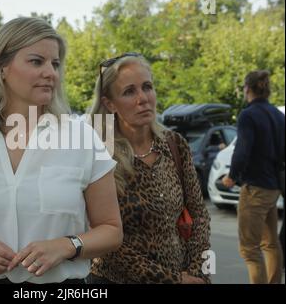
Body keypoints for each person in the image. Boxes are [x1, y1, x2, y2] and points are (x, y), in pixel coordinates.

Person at [0, 17, 123, 284]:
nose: (50, 72)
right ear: (2, 69)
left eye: (55, 64)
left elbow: (112, 230)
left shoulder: (82, 138)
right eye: (36, 61)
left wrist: (67, 246)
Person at [87, 53, 211, 284]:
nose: (143, 98)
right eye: (129, 91)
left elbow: (199, 216)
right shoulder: (98, 153)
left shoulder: (175, 144)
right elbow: (104, 240)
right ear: (109, 104)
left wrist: (198, 273)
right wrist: (173, 280)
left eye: (147, 87)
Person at [223, 70, 284, 284]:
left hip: (255, 188)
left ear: (247, 89)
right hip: (273, 187)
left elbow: (242, 150)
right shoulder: (278, 115)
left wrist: (232, 176)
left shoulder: (248, 115)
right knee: (271, 243)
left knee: (250, 250)